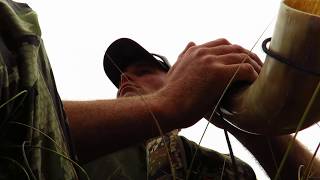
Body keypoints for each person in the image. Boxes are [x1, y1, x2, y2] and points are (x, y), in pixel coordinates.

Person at [64, 38, 320, 180]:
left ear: (184, 78)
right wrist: (166, 103)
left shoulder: (224, 169)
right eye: (121, 79)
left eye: (143, 72)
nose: (125, 81)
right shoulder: (77, 144)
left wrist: (244, 118)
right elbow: (27, 127)